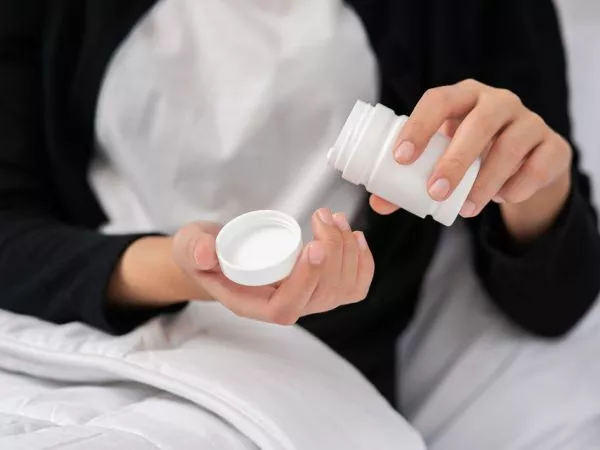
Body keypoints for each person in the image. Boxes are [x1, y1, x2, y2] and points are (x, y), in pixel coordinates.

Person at [1, 0, 599, 426]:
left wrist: (536, 189)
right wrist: (183, 271)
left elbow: (555, 303)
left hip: (318, 373)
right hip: (87, 347)